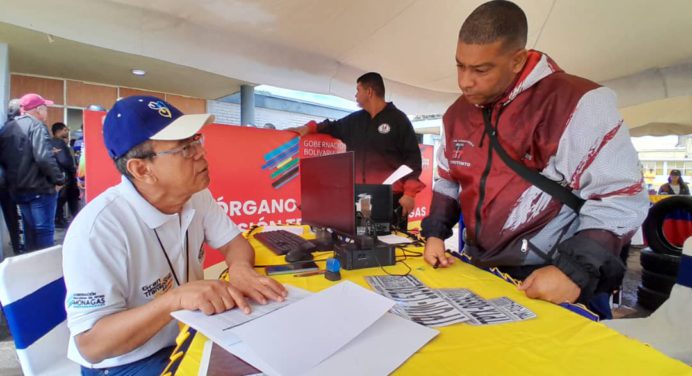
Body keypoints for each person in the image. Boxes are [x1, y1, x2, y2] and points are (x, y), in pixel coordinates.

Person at [420, 1, 648, 318]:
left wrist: (572, 272)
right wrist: (434, 233)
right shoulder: (456, 115)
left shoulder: (577, 102)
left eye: (481, 70)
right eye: (460, 65)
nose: (465, 82)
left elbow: (622, 196)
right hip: (481, 271)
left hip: (554, 280)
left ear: (517, 60)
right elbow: (448, 179)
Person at [62, 96, 287, 374]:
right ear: (141, 169)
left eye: (196, 141)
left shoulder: (196, 196)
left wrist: (239, 268)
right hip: (128, 362)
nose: (200, 154)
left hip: (188, 333)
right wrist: (174, 300)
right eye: (184, 148)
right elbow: (92, 346)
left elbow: (235, 244)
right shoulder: (98, 229)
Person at [288, 72, 424, 230]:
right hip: (362, 197)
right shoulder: (354, 121)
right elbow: (331, 126)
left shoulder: (399, 120)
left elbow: (413, 159)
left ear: (369, 92)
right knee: (363, 243)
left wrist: (409, 193)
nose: (355, 95)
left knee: (391, 247)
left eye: (358, 90)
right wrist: (309, 128)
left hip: (390, 198)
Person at [0, 93, 65, 252]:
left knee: (30, 232)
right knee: (44, 232)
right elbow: (44, 157)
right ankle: (46, 273)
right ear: (38, 109)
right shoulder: (36, 126)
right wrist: (59, 179)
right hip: (40, 189)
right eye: (45, 109)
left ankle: (31, 269)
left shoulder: (7, 128)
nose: (46, 113)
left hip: (18, 190)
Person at [0, 99, 23, 256]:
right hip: (14, 181)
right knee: (17, 217)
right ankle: (18, 247)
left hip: (5, 180)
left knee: (11, 217)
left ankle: (16, 246)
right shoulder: (18, 129)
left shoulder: (4, 129)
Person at [50, 122, 81, 227]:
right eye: (65, 130)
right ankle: (61, 220)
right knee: (65, 199)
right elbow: (64, 160)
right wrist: (72, 169)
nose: (67, 132)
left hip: (61, 175)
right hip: (65, 176)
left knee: (66, 199)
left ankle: (62, 219)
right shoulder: (59, 143)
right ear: (59, 131)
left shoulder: (52, 142)